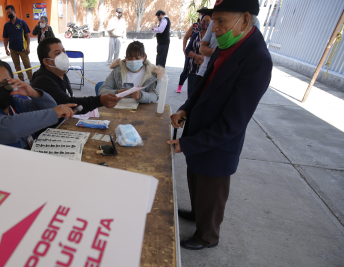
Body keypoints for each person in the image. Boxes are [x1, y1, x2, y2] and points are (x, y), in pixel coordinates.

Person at [167, 0, 272, 250]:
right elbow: (203, 87)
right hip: (200, 131)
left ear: (245, 20)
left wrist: (189, 143)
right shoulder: (229, 47)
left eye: (221, 21)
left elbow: (233, 123)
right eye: (214, 21)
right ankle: (196, 213)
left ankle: (207, 236)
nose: (214, 29)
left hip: (218, 143)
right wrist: (185, 108)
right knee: (196, 179)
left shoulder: (257, 60)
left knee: (211, 191)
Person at [0, 59, 76, 149]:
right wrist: (53, 113)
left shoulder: (14, 103)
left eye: (6, 82)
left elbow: (51, 108)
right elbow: (8, 129)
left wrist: (33, 93)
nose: (1, 88)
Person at [31, 37, 121, 114]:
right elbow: (67, 104)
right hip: (52, 129)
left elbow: (69, 99)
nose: (63, 56)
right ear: (46, 61)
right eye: (57, 53)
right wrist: (99, 100)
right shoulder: (42, 82)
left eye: (63, 51)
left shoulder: (59, 73)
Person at [98, 41, 163, 104]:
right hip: (119, 107)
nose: (133, 61)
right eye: (130, 58)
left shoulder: (152, 74)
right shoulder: (117, 70)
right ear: (126, 58)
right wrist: (117, 92)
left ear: (144, 57)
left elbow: (155, 96)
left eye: (137, 58)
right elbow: (102, 90)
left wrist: (140, 95)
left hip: (141, 109)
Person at [183, 13, 211, 99]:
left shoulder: (213, 37)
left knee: (202, 93)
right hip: (193, 68)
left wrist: (203, 57)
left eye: (208, 21)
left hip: (206, 70)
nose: (205, 23)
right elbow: (188, 49)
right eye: (203, 21)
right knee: (191, 92)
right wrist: (196, 56)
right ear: (200, 22)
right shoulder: (196, 35)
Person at [3, 5, 32, 81]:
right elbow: (5, 38)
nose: (9, 14)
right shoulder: (6, 25)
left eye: (10, 12)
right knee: (17, 66)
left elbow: (27, 36)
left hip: (23, 49)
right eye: (7, 13)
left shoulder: (22, 23)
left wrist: (28, 47)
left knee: (27, 65)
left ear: (14, 12)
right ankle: (21, 80)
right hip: (13, 49)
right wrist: (6, 49)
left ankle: (31, 79)